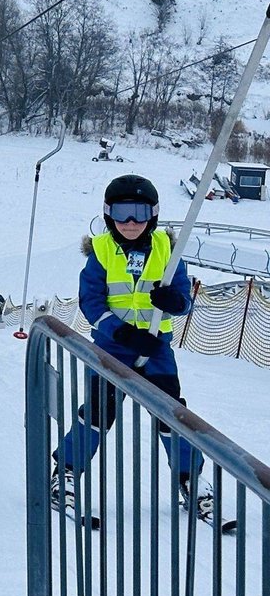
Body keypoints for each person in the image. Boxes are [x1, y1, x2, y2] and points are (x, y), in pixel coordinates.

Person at [52, 175, 207, 518]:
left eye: (139, 212)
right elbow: (91, 301)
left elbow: (184, 300)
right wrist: (121, 333)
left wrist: (175, 301)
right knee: (98, 412)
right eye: (122, 213)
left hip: (156, 348)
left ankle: (190, 479)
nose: (131, 222)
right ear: (109, 215)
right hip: (113, 347)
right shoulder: (102, 251)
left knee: (173, 414)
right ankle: (64, 473)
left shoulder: (168, 250)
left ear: (152, 214)